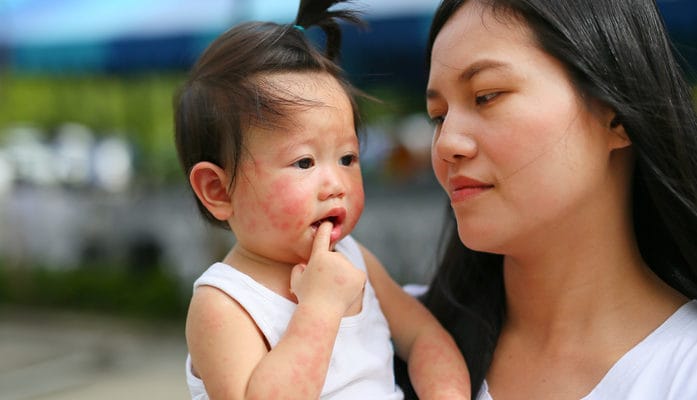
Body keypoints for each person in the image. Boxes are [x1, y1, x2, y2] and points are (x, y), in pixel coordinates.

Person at [396, 0, 697, 399]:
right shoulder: (377, 335)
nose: (446, 143)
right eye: (439, 116)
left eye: (487, 96)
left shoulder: (682, 369)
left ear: (615, 114)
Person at [173, 1, 471, 399]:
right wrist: (320, 308)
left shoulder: (353, 257)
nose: (336, 183)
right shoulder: (225, 304)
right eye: (304, 162)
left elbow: (423, 337)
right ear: (218, 190)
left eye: (347, 158)